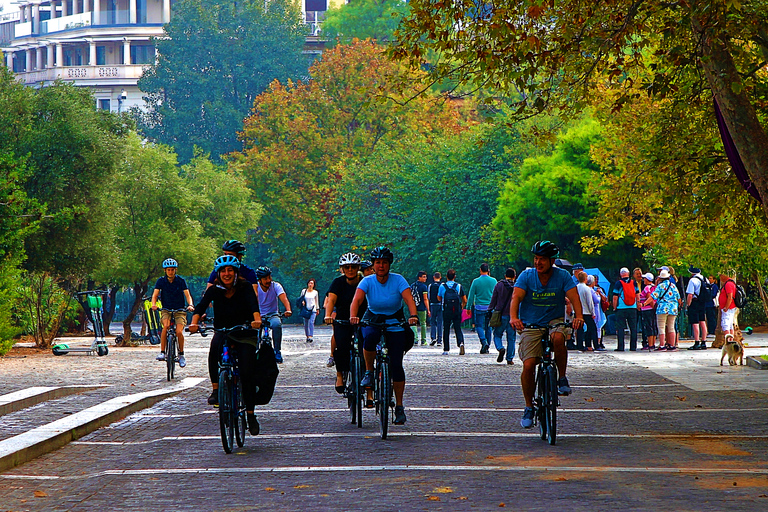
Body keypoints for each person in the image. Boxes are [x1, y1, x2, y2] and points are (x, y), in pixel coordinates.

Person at [510, 241, 584, 429]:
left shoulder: (562, 276)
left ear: (552, 260)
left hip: (554, 321)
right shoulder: (526, 276)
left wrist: (579, 316)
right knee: (529, 364)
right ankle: (528, 407)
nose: (538, 262)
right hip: (532, 323)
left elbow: (574, 297)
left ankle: (562, 377)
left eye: (542, 259)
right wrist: (513, 318)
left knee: (558, 337)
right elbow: (516, 297)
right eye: (536, 258)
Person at [189, 255, 262, 435]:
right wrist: (194, 322)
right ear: (218, 273)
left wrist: (257, 320)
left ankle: (251, 414)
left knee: (246, 371)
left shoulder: (245, 287)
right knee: (214, 349)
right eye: (223, 271)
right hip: (223, 331)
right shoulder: (214, 290)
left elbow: (254, 306)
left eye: (230, 270)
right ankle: (216, 389)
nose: (226, 274)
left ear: (235, 272)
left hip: (244, 332)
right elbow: (201, 306)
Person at [350, 246, 418, 425]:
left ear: (389, 265)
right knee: (369, 337)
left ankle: (400, 407)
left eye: (385, 263)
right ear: (373, 265)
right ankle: (369, 371)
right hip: (373, 318)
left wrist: (413, 316)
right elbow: (356, 300)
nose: (381, 266)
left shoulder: (398, 280)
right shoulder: (367, 281)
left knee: (396, 365)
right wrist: (353, 316)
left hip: (394, 320)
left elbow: (408, 299)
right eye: (378, 263)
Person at [324, 253, 370, 402]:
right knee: (341, 344)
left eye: (353, 267)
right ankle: (340, 374)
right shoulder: (338, 282)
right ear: (342, 269)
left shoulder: (365, 282)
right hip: (343, 319)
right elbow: (331, 299)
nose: (350, 269)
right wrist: (328, 314)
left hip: (363, 318)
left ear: (358, 268)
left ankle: (366, 375)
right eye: (347, 267)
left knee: (367, 346)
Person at [151, 258, 195, 367]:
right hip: (166, 309)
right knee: (165, 326)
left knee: (179, 331)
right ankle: (162, 352)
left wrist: (190, 305)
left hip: (179, 310)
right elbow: (155, 295)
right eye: (168, 270)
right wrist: (154, 304)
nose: (171, 272)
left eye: (172, 270)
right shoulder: (161, 281)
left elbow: (188, 295)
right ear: (165, 271)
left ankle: (181, 354)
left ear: (175, 270)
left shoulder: (181, 281)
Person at [255, 266, 292, 364]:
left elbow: (284, 299)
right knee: (254, 331)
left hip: (272, 314)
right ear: (259, 280)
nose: (268, 280)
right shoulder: (255, 288)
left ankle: (277, 351)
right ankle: (253, 351)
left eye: (269, 277)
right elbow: (250, 301)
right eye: (265, 279)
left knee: (277, 325)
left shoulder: (276, 286)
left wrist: (288, 310)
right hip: (258, 314)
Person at [466, 263, 498, 354]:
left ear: (480, 270)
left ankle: (484, 342)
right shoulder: (494, 281)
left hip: (479, 307)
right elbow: (497, 294)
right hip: (490, 307)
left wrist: (468, 307)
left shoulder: (476, 281)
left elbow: (471, 295)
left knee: (479, 326)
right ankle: (487, 345)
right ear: (488, 270)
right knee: (489, 327)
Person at [646, 269, 680, 350]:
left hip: (662, 308)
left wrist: (644, 303)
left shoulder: (660, 286)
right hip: (673, 308)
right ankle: (672, 345)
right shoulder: (673, 286)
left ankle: (662, 345)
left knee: (661, 327)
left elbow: (653, 296)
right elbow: (678, 297)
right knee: (671, 327)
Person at [488, 267, 517, 364]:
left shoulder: (499, 285)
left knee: (497, 334)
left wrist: (490, 310)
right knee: (511, 337)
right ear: (514, 276)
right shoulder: (517, 287)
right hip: (513, 316)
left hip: (500, 314)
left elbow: (494, 299)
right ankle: (510, 358)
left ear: (505, 276)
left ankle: (500, 348)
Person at [438, 269, 467, 355]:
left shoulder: (442, 286)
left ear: (446, 276)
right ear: (455, 277)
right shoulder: (459, 286)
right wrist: (461, 307)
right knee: (457, 327)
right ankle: (461, 343)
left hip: (446, 310)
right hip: (456, 310)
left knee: (446, 328)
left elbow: (439, 298)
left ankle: (446, 349)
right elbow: (464, 300)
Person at [611, 267, 640, 351]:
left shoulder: (618, 283)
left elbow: (615, 297)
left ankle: (621, 347)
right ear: (628, 273)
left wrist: (615, 307)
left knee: (620, 328)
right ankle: (633, 347)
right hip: (632, 307)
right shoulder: (634, 283)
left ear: (621, 274)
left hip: (621, 308)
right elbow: (637, 294)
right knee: (633, 327)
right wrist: (638, 304)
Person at [686, 266, 710, 350]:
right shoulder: (704, 279)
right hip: (702, 302)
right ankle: (704, 341)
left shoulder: (692, 280)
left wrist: (688, 304)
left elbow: (690, 294)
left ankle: (696, 342)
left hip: (695, 302)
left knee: (695, 322)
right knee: (702, 321)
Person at [575, 271, 597, 351]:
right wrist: (593, 312)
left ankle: (579, 345)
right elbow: (589, 302)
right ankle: (593, 344)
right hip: (586, 311)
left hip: (578, 311)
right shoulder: (586, 289)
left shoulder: (576, 288)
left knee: (579, 329)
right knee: (592, 328)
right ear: (585, 279)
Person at [638, 273, 658, 350]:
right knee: (653, 325)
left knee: (649, 326)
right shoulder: (654, 287)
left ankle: (650, 344)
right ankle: (653, 343)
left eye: (645, 278)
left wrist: (646, 305)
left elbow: (649, 298)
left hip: (647, 309)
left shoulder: (647, 288)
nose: (643, 280)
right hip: (652, 309)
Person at [410, 271, 430, 346]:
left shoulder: (412, 285)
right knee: (423, 323)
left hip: (413, 307)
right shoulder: (423, 287)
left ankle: (415, 339)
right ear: (419, 277)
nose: (425, 278)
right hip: (421, 307)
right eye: (424, 277)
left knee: (413, 323)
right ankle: (423, 340)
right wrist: (428, 309)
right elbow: (425, 299)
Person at [299, 278, 320, 343]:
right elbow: (301, 298)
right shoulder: (304, 291)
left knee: (311, 322)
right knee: (306, 323)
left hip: (313, 309)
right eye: (309, 283)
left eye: (312, 283)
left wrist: (317, 308)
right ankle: (307, 336)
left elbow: (316, 301)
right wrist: (302, 302)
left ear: (314, 285)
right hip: (305, 309)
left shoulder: (315, 292)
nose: (310, 284)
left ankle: (311, 336)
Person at [719, 270, 738, 337]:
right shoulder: (730, 283)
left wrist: (726, 308)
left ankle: (728, 339)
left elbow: (730, 296)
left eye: (721, 275)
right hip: (730, 307)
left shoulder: (728, 284)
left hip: (728, 308)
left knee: (725, 324)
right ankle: (730, 340)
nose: (720, 278)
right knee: (729, 324)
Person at [428, 272, 443, 346]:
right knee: (440, 322)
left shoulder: (430, 285)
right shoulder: (442, 285)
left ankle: (433, 337)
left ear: (434, 277)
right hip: (440, 305)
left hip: (432, 305)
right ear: (440, 277)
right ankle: (439, 340)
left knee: (433, 322)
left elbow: (428, 296)